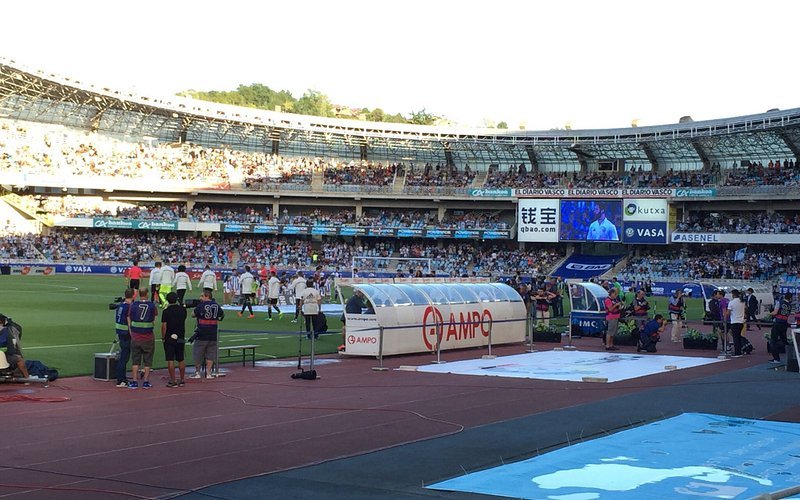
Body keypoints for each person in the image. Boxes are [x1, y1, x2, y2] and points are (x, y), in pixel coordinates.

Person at [127, 288, 158, 389]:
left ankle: (135, 381)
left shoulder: (133, 305)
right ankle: (145, 381)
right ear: (147, 294)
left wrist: (131, 330)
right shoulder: (152, 305)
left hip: (136, 337)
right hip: (148, 337)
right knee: (147, 361)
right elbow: (154, 319)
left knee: (135, 361)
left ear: (139, 294)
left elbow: (129, 317)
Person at [191, 290, 225, 379]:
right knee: (211, 354)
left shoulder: (201, 305)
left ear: (207, 296)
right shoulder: (216, 305)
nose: (200, 298)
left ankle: (198, 372)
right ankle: (209, 373)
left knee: (198, 353)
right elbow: (221, 315)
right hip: (213, 332)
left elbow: (193, 314)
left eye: (202, 296)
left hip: (202, 333)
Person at [161, 292, 187, 387]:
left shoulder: (166, 311)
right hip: (180, 336)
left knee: (170, 359)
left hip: (169, 337)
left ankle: (173, 380)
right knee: (181, 358)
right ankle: (182, 379)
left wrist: (163, 337)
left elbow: (164, 326)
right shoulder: (183, 310)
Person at [113, 289, 134, 387]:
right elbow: (130, 321)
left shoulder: (120, 305)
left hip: (120, 332)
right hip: (126, 333)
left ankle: (121, 377)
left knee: (123, 356)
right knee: (124, 357)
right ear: (133, 295)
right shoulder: (129, 307)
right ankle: (121, 379)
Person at [0, 314, 29, 378]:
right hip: (4, 356)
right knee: (20, 359)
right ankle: (27, 378)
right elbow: (10, 350)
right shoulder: (5, 331)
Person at [768, 292, 792, 364]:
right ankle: (791, 355)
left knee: (773, 340)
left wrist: (769, 313)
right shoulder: (790, 305)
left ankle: (776, 358)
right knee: (784, 339)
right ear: (790, 298)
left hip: (778, 322)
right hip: (785, 323)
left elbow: (775, 312)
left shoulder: (779, 302)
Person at [727, 289, 746, 357]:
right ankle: (740, 351)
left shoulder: (731, 302)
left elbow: (728, 313)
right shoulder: (742, 302)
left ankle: (737, 353)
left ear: (733, 295)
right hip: (741, 321)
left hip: (734, 321)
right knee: (738, 337)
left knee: (736, 338)